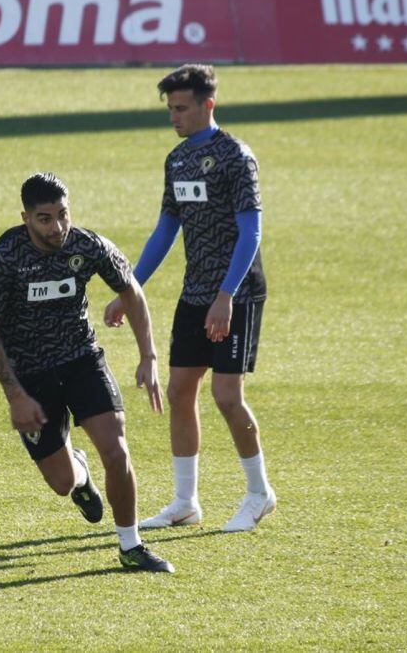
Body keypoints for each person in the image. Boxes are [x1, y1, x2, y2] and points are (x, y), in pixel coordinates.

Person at [104, 64, 276, 533]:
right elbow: (166, 228)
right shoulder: (176, 160)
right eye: (170, 109)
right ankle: (186, 502)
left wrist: (226, 296)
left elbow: (251, 232)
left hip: (234, 293)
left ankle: (259, 493)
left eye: (181, 108)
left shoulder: (236, 157)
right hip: (195, 291)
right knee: (180, 392)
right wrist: (129, 287)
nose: (174, 117)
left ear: (208, 105)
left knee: (226, 395)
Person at [0, 172, 174, 572]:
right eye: (45, 218)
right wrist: (15, 394)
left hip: (81, 358)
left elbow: (131, 291)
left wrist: (148, 356)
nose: (58, 226)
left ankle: (130, 545)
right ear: (26, 218)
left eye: (63, 214)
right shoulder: (3, 259)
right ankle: (80, 474)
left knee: (116, 449)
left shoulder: (88, 245)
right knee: (62, 482)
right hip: (30, 374)